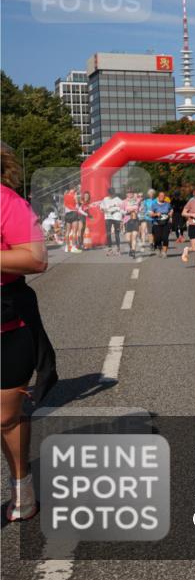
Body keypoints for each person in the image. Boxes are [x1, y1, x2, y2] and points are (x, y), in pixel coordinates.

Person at [1, 142, 57, 522]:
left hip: (7, 321)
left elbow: (35, 258)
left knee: (5, 416)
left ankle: (22, 485)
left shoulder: (7, 202)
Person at [100, 188, 124, 256]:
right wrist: (103, 209)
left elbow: (123, 207)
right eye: (110, 193)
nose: (111, 195)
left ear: (114, 193)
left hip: (116, 217)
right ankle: (110, 249)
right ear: (108, 193)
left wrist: (121, 218)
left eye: (112, 193)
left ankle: (118, 249)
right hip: (108, 217)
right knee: (108, 233)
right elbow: (101, 208)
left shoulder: (118, 199)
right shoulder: (105, 199)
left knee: (117, 234)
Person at [150, 191, 172, 258]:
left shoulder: (167, 204)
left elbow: (171, 210)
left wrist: (170, 213)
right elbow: (151, 214)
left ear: (165, 197)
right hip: (157, 224)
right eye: (161, 196)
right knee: (157, 238)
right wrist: (156, 214)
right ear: (158, 197)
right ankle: (158, 247)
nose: (162, 197)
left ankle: (164, 252)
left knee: (165, 238)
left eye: (163, 196)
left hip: (166, 223)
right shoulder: (154, 205)